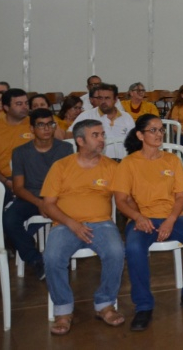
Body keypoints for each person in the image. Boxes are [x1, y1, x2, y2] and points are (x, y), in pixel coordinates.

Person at [113, 115, 183, 331]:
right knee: (134, 248)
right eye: (153, 130)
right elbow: (120, 200)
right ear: (140, 135)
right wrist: (139, 217)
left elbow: (181, 197)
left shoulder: (172, 160)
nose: (159, 134)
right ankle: (143, 306)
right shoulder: (128, 163)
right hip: (141, 219)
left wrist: (170, 220)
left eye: (160, 130)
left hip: (174, 217)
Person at [41, 119, 125, 335]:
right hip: (65, 223)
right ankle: (63, 310)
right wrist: (72, 224)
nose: (102, 140)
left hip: (101, 223)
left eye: (102, 135)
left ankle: (104, 304)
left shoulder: (111, 167)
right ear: (80, 140)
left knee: (116, 251)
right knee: (52, 258)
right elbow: (48, 204)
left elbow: (124, 199)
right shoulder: (61, 166)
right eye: (95, 135)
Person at [5, 108, 73, 280]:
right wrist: (40, 203)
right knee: (9, 219)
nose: (46, 128)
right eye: (41, 125)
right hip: (31, 198)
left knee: (75, 213)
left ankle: (60, 258)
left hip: (59, 197)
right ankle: (36, 260)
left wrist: (50, 202)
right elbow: (19, 188)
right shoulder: (20, 152)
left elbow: (70, 182)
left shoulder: (65, 149)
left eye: (50, 124)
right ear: (32, 129)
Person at [0, 88, 32, 190]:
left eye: (26, 103)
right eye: (19, 104)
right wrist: (5, 181)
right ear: (6, 107)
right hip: (1, 179)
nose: (25, 107)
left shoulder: (36, 125)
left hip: (32, 179)